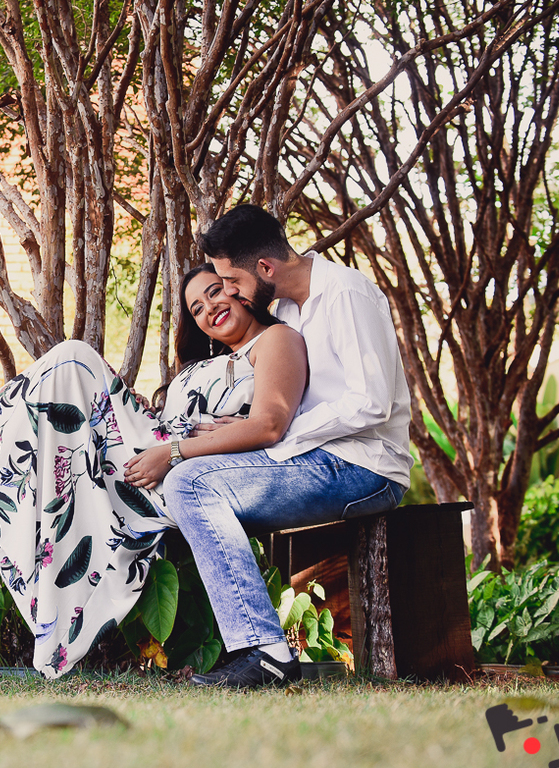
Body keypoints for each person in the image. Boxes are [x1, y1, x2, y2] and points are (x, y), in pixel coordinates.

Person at [0, 264, 307, 678]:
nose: (208, 308)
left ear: (242, 290)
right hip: (149, 452)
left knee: (73, 358)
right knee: (53, 389)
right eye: (196, 307)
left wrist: (181, 447)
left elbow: (273, 424)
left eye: (215, 292)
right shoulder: (203, 366)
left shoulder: (276, 340)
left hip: (174, 471)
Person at [163, 204, 413, 689]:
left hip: (365, 466)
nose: (230, 293)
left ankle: (267, 653)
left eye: (231, 281)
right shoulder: (288, 310)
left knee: (190, 483)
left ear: (265, 268)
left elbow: (372, 402)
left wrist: (277, 431)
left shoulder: (346, 294)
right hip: (316, 458)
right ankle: (262, 649)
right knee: (187, 481)